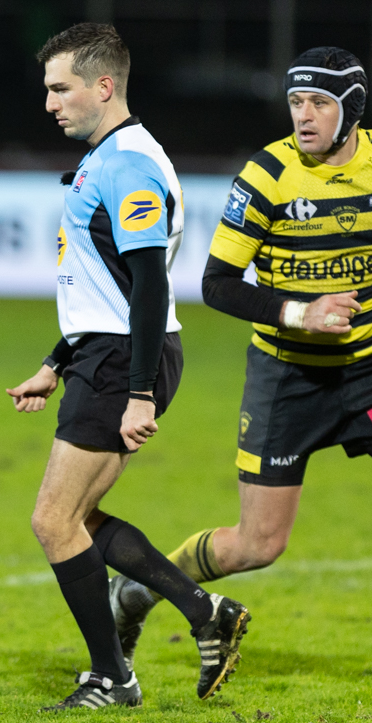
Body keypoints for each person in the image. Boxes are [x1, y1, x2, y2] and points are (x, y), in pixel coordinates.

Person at [7, 23, 250, 711]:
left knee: (54, 521)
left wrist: (138, 392)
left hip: (123, 362)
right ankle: (205, 614)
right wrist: (56, 361)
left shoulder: (129, 165)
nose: (50, 103)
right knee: (77, 516)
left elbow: (149, 284)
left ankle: (112, 677)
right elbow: (103, 283)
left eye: (61, 88)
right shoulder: (106, 158)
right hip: (106, 354)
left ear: (104, 86)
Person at [111, 47, 372, 664]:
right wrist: (301, 313)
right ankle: (138, 592)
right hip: (286, 379)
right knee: (258, 545)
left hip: (364, 370)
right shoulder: (267, 175)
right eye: (296, 102)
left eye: (319, 103)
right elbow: (217, 284)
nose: (303, 115)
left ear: (352, 108)